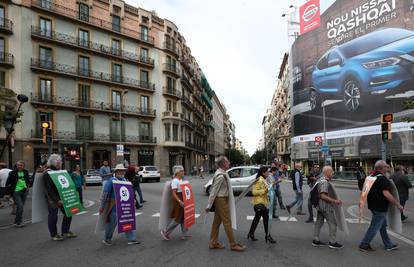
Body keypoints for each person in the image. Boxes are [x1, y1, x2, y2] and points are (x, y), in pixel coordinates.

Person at [359, 160, 403, 252]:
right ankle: (364, 244)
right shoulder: (382, 179)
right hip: (380, 207)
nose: (388, 168)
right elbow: (386, 193)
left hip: (373, 205)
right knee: (375, 226)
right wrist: (397, 204)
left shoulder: (371, 176)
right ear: (382, 168)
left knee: (382, 226)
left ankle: (388, 244)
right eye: (386, 166)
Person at [206, 156, 246, 252]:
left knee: (217, 222)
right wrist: (208, 205)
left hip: (222, 199)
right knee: (227, 222)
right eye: (227, 162)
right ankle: (233, 244)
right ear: (223, 164)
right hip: (221, 200)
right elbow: (213, 191)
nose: (229, 163)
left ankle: (213, 242)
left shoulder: (222, 173)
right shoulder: (220, 176)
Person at [99, 163, 140, 246]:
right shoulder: (111, 180)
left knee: (127, 221)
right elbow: (105, 193)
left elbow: (130, 192)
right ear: (116, 171)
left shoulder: (125, 181)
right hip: (114, 207)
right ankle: (107, 239)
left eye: (123, 171)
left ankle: (131, 239)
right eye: (120, 171)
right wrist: (102, 206)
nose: (122, 172)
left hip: (125, 207)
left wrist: (133, 201)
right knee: (111, 225)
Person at [43, 154, 76, 241]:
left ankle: (65, 231)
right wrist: (57, 200)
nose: (61, 163)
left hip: (63, 196)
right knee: (53, 216)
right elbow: (49, 189)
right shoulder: (47, 173)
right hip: (53, 199)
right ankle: (54, 234)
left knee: (68, 213)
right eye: (60, 161)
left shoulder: (60, 172)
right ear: (56, 162)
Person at [312, 166, 343, 249]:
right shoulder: (324, 182)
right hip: (326, 207)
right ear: (327, 172)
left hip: (320, 206)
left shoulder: (320, 180)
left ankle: (316, 239)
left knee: (319, 222)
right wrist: (335, 201)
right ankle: (332, 242)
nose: (333, 174)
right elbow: (323, 195)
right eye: (332, 172)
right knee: (333, 224)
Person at [160, 165, 192, 240]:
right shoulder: (175, 181)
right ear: (178, 172)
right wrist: (180, 201)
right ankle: (165, 232)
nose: (183, 172)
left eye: (183, 171)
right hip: (178, 201)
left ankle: (185, 233)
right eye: (182, 171)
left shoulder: (180, 180)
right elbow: (174, 193)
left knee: (184, 217)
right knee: (177, 219)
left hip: (182, 199)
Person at [248, 166, 276, 243]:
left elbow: (267, 188)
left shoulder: (263, 179)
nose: (269, 173)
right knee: (266, 220)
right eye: (267, 172)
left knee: (256, 219)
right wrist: (265, 190)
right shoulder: (260, 180)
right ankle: (268, 236)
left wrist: (272, 185)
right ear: (263, 173)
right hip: (259, 203)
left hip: (262, 202)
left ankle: (251, 233)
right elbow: (254, 192)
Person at [5, 160, 31, 228]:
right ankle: (18, 222)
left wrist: (28, 186)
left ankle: (17, 221)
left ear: (23, 166)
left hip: (24, 191)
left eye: (21, 165)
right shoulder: (12, 173)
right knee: (20, 206)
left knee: (21, 207)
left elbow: (28, 180)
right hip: (16, 191)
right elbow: (7, 183)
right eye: (19, 165)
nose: (20, 166)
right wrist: (7, 193)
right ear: (16, 166)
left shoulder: (25, 172)